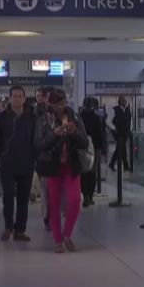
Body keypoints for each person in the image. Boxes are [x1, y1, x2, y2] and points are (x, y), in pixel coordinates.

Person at [35, 89, 89, 253]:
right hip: (52, 165)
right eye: (58, 103)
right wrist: (54, 134)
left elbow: (84, 142)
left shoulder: (75, 117)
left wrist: (75, 133)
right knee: (54, 203)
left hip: (71, 164)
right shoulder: (44, 120)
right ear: (49, 104)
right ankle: (58, 240)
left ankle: (67, 235)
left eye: (64, 102)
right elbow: (38, 144)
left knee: (74, 200)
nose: (62, 106)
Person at [0, 86, 37, 242]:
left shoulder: (32, 118)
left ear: (24, 98)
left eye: (20, 96)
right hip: (7, 164)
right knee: (8, 197)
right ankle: (8, 226)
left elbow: (36, 140)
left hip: (27, 164)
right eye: (14, 96)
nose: (17, 99)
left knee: (23, 199)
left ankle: (20, 230)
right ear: (9, 98)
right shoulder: (1, 118)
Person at [80, 97, 105, 207]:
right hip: (95, 148)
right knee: (92, 172)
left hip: (82, 148)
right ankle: (89, 196)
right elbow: (100, 135)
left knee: (82, 172)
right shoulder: (97, 118)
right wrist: (101, 148)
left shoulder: (79, 117)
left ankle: (84, 194)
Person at [34, 87, 52, 230]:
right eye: (38, 96)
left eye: (41, 96)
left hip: (54, 157)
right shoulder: (36, 114)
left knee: (51, 189)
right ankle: (47, 217)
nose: (39, 98)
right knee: (45, 188)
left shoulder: (56, 114)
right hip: (43, 157)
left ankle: (51, 215)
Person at [109, 96, 131, 172]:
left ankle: (112, 164)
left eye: (125, 100)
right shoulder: (114, 110)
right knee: (121, 147)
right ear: (119, 102)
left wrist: (130, 130)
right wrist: (114, 129)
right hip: (118, 133)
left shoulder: (128, 110)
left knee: (121, 148)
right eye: (123, 100)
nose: (125, 101)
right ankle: (125, 165)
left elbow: (129, 121)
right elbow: (108, 121)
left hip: (125, 132)